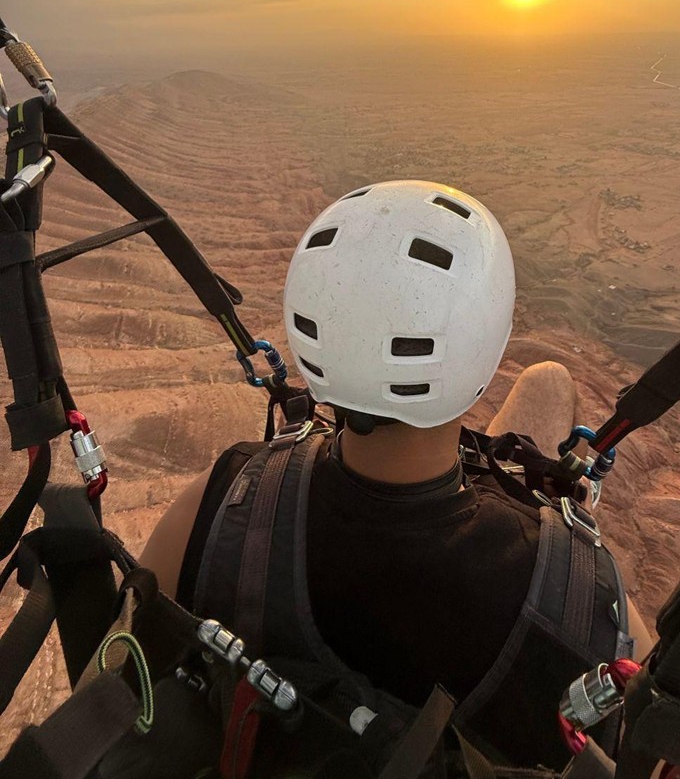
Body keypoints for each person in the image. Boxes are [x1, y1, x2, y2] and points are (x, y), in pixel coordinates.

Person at [139, 179, 648, 773]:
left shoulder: (225, 500)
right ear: (486, 348)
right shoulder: (587, 599)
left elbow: (120, 684)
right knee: (548, 382)